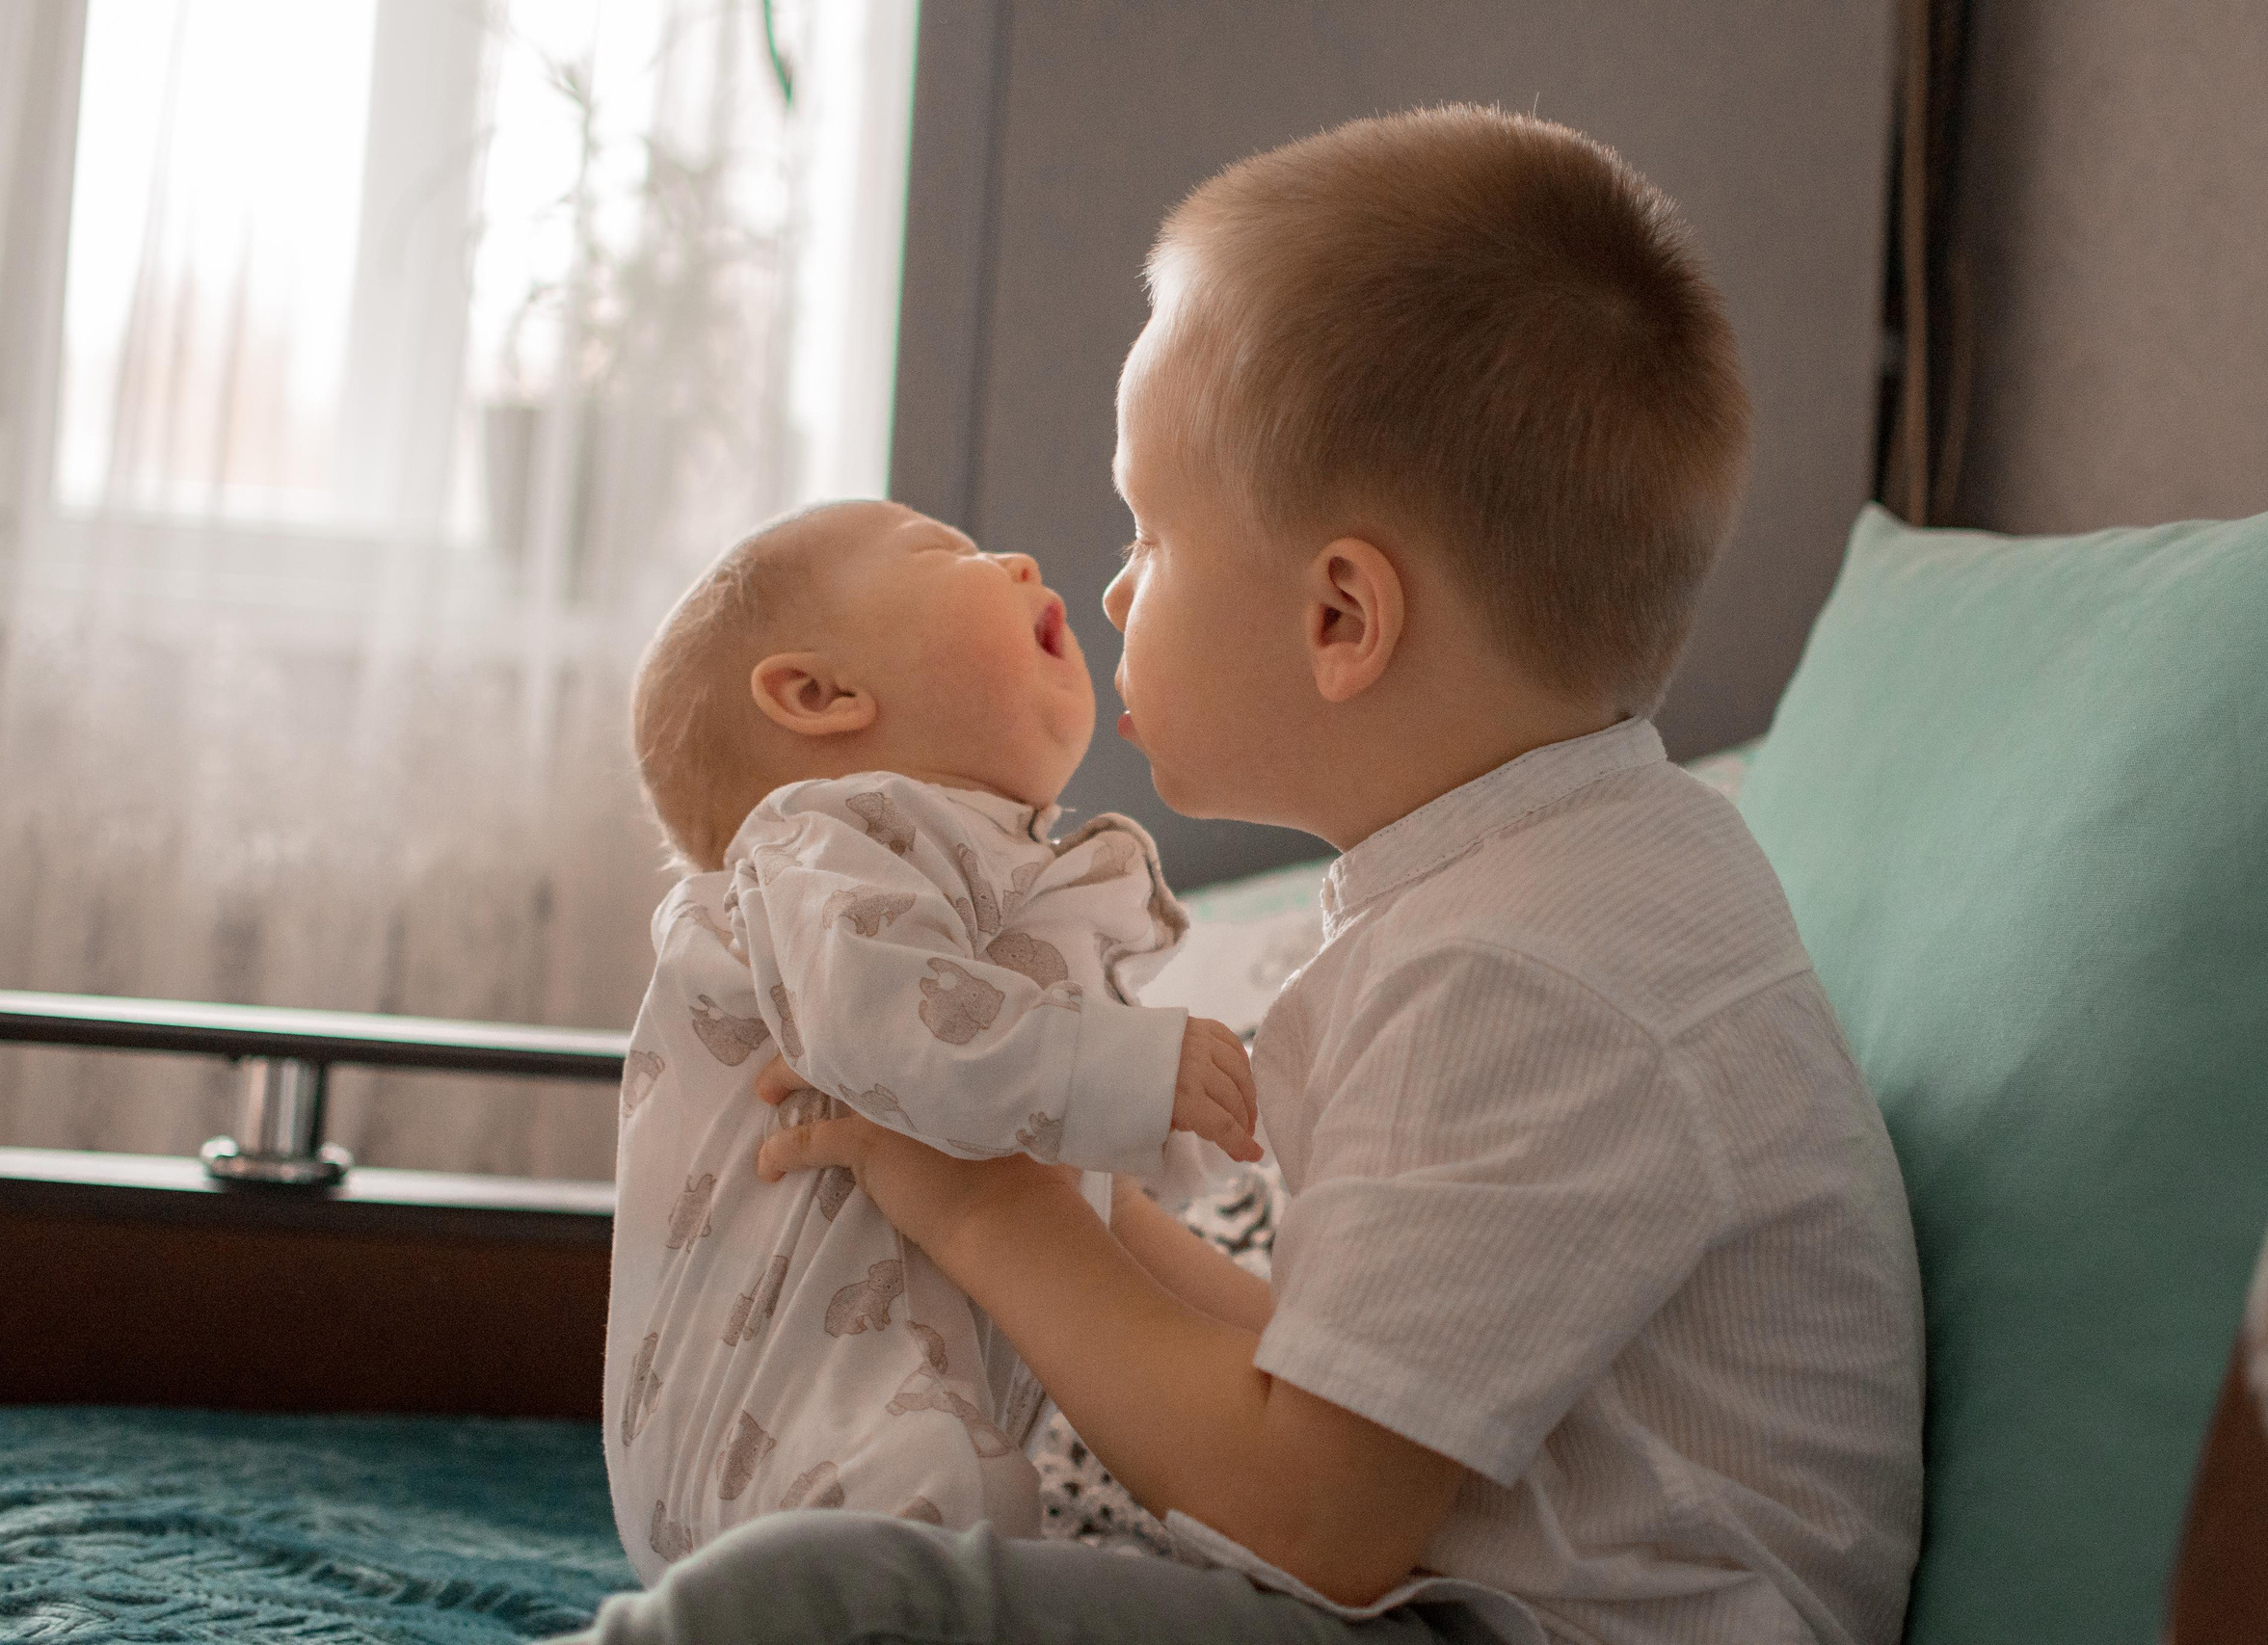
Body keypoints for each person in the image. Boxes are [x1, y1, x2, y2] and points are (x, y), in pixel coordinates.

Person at [563, 104, 1925, 1645]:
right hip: (1470, 1591)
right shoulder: (1538, 883)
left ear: (1342, 617)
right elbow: (1332, 1374)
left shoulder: (1537, 973)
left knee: (822, 1599)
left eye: (1153, 529)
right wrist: (1085, 1196)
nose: (1115, 581)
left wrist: (977, 1200)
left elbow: (1310, 1508)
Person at [604, 498, 1263, 1580]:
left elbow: (1083, 1180)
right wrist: (1134, 1074)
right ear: (818, 695)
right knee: (956, 1528)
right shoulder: (818, 843)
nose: (1017, 556)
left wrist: (1175, 1124)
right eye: (943, 554)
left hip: (856, 1451)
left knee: (977, 1524)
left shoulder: (986, 906)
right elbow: (896, 1026)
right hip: (801, 1439)